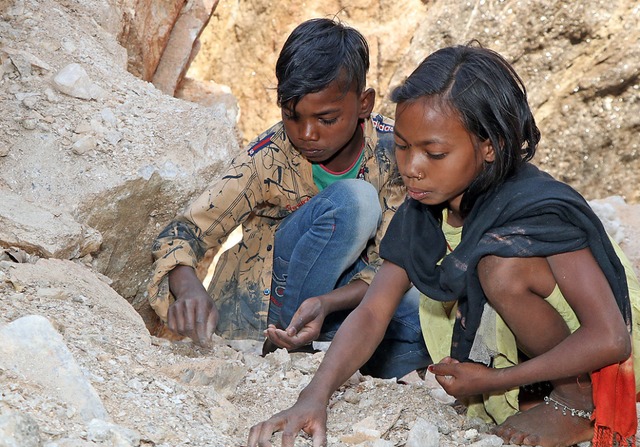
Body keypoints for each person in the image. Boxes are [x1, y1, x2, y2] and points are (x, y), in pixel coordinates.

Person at [247, 43, 640, 447]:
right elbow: (372, 312)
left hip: (607, 352)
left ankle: (576, 403)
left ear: (491, 146)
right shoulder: (424, 211)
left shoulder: (537, 209)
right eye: (402, 146)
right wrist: (313, 396)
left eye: (434, 153)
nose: (411, 168)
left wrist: (496, 379)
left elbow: (611, 337)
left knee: (499, 269)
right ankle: (537, 388)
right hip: (550, 348)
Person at [147, 17, 430, 379]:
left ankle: (344, 357)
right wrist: (188, 287)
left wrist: (326, 305)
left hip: (347, 302)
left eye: (326, 118)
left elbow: (391, 264)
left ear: (364, 104)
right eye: (292, 116)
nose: (307, 133)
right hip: (270, 304)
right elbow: (183, 232)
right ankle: (287, 345)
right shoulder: (268, 156)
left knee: (425, 309)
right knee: (354, 202)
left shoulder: (395, 150)